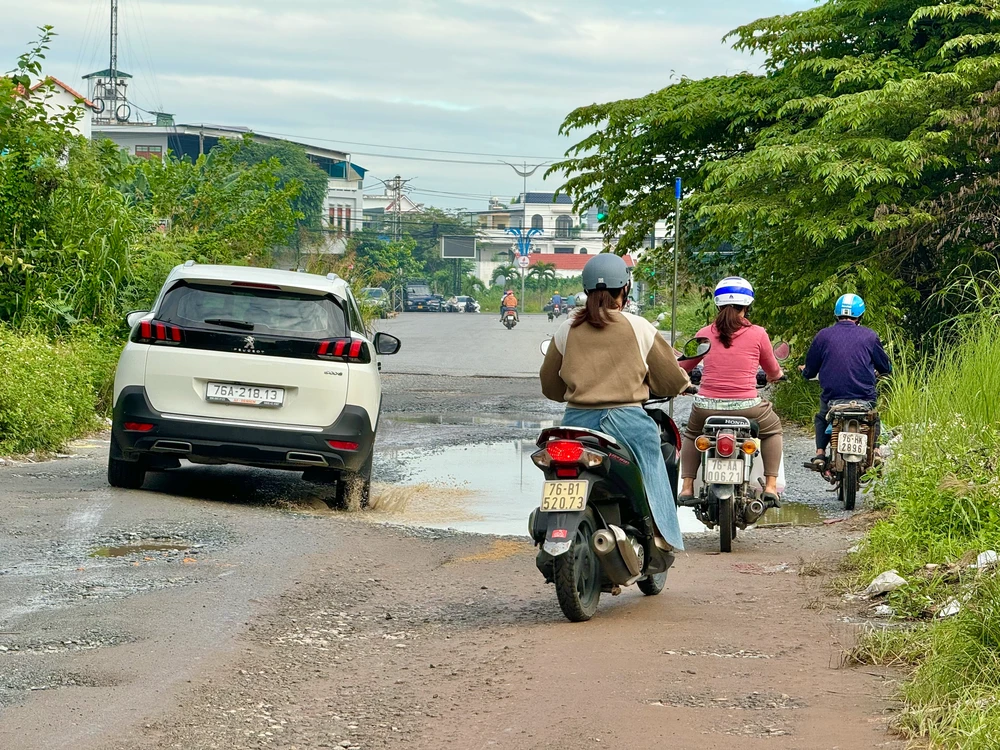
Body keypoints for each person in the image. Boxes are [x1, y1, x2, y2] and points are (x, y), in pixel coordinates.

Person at [539, 254, 691, 551]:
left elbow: (550, 384)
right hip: (628, 422)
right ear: (625, 289)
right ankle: (660, 535)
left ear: (586, 290)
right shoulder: (638, 327)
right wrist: (680, 385)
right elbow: (670, 379)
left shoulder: (566, 329)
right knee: (653, 461)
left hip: (576, 424)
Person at [677, 277, 785, 507]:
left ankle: (686, 488)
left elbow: (683, 367)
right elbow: (773, 370)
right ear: (747, 305)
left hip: (706, 407)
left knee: (692, 433)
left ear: (717, 304)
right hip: (747, 407)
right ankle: (771, 486)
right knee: (773, 430)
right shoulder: (758, 333)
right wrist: (777, 376)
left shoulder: (704, 332)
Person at [800, 294, 892, 471]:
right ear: (860, 315)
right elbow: (885, 366)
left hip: (833, 397)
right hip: (864, 397)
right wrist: (883, 371)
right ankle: (876, 451)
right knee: (874, 418)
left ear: (836, 314)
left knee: (821, 416)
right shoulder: (870, 336)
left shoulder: (823, 336)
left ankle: (820, 453)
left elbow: (810, 369)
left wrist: (806, 372)